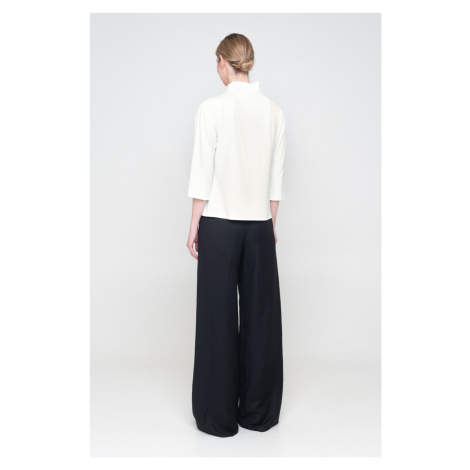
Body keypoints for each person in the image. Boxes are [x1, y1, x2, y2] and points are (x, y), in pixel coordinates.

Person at [186, 33, 286, 438]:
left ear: (224, 62)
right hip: (260, 226)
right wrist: (270, 225)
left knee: (217, 318)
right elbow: (275, 180)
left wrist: (194, 224)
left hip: (220, 225)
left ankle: (218, 416)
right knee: (261, 319)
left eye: (216, 62)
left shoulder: (211, 109)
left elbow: (202, 172)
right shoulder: (274, 111)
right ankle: (259, 413)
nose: (217, 69)